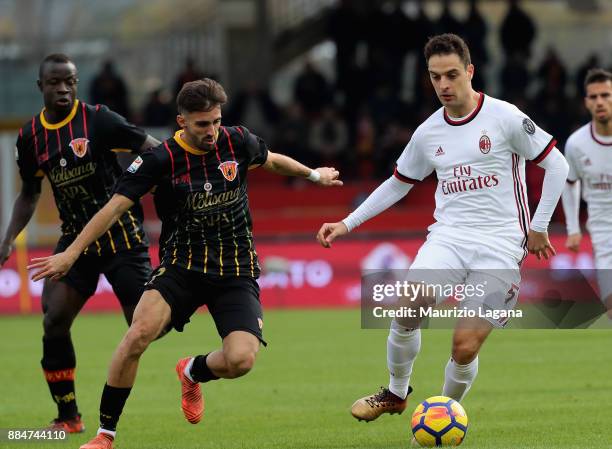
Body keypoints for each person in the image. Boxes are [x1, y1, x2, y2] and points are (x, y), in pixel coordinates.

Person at [29, 78, 342, 449]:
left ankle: (192, 370)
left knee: (241, 360)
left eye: (215, 121)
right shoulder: (158, 160)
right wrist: (71, 252)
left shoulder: (237, 140)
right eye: (201, 124)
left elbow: (271, 160)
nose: (211, 131)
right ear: (182, 122)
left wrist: (313, 175)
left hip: (234, 270)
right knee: (137, 335)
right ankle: (104, 435)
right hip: (181, 269)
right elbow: (112, 209)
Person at [316, 34, 569, 421]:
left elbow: (558, 166)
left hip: (501, 246)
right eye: (435, 77)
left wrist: (539, 227)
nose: (444, 86)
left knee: (464, 345)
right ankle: (396, 392)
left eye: (452, 75)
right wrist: (347, 223)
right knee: (406, 306)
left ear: (470, 71)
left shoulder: (505, 117)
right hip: (449, 238)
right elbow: (398, 183)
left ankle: (444, 413)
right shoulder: (428, 131)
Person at [0, 54, 160, 432]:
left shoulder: (99, 119)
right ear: (41, 86)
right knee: (54, 319)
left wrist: (136, 184)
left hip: (122, 236)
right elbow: (29, 193)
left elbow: (153, 149)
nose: (63, 89)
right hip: (76, 241)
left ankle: (193, 362)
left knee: (146, 325)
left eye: (69, 81)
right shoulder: (29, 138)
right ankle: (68, 417)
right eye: (55, 82)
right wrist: (8, 238)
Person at [562, 68, 612, 319]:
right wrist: (572, 228)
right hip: (604, 234)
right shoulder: (576, 143)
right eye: (594, 97)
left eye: (606, 95)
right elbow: (569, 182)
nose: (600, 101)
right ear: (586, 102)